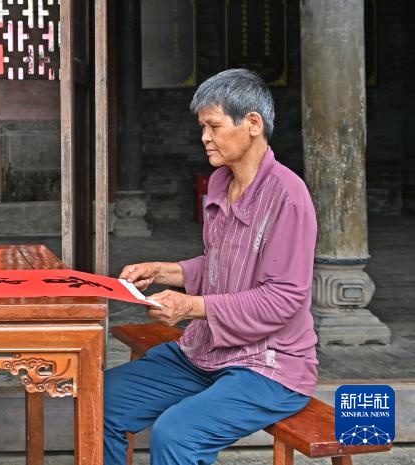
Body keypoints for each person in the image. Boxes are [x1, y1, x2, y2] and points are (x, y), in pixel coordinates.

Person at [103, 68, 319, 465]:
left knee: (177, 434)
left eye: (214, 126)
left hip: (268, 366)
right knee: (104, 399)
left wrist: (189, 306)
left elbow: (283, 298)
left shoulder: (288, 196)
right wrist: (165, 271)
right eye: (202, 126)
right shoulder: (220, 183)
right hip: (206, 351)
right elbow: (223, 264)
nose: (204, 136)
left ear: (252, 124)